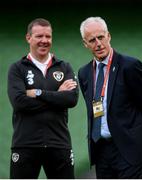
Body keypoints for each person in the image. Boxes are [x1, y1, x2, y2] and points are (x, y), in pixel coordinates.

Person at [78, 17, 142, 179]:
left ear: (108, 36)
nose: (98, 43)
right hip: (101, 151)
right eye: (92, 40)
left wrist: (134, 134)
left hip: (128, 149)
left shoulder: (130, 66)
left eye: (100, 37)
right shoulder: (84, 73)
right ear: (85, 44)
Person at [7, 18, 78, 179]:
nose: (44, 41)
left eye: (48, 36)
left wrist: (38, 93)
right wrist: (58, 95)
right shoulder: (17, 68)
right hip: (25, 144)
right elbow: (19, 102)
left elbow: (72, 99)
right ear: (28, 38)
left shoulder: (64, 67)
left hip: (59, 144)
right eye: (39, 36)